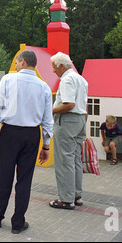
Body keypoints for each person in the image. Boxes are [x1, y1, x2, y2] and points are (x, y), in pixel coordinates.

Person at [0, 50, 53, 234]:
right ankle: (18, 222)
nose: (14, 65)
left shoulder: (8, 80)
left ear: (22, 61)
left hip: (10, 133)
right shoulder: (44, 87)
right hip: (32, 135)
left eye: (16, 62)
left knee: (4, 176)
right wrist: (46, 145)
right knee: (24, 179)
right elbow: (48, 120)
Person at [49, 52, 88, 210]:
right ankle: (76, 195)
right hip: (80, 120)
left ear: (61, 66)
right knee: (75, 159)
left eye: (54, 67)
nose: (53, 71)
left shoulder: (66, 80)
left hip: (67, 121)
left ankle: (66, 199)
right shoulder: (81, 79)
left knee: (64, 160)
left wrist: (51, 110)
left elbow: (68, 104)